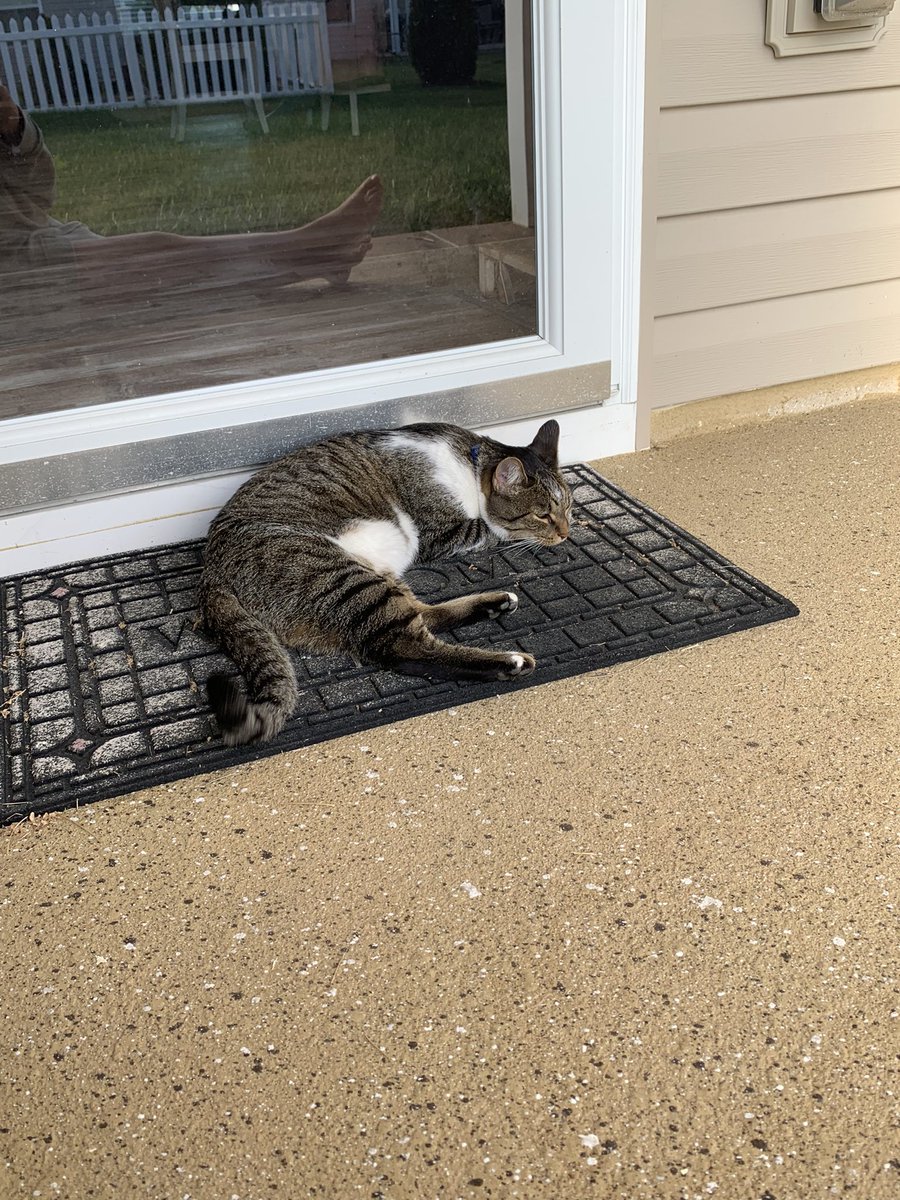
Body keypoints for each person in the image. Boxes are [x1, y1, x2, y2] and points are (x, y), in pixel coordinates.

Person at [0, 83, 383, 309]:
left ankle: (320, 258)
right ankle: (315, 244)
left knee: (165, 283)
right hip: (17, 271)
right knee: (160, 256)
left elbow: (39, 196)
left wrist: (16, 132)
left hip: (43, 243)